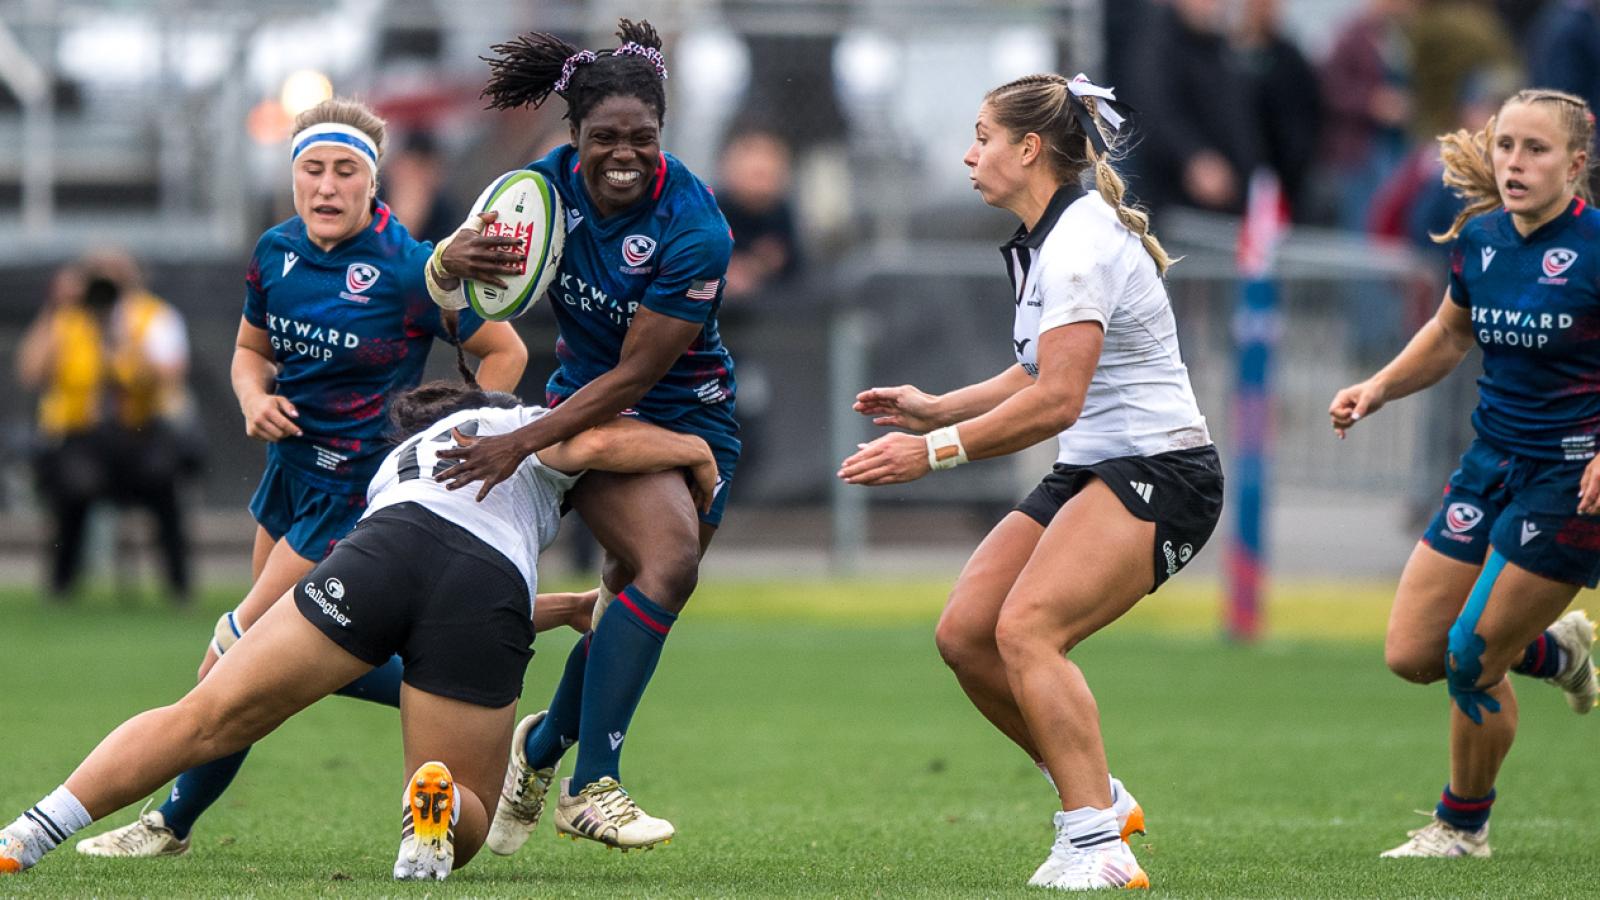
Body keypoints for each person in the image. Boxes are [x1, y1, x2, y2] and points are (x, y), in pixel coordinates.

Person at [0, 380, 721, 880]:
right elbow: (593, 444)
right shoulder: (515, 423)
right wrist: (692, 449)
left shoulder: (395, 463)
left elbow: (418, 584)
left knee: (203, 717)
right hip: (486, 586)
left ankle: (33, 829)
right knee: (467, 808)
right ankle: (437, 803)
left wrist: (566, 607)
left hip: (380, 553)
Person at [74, 96, 530, 859]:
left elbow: (507, 351)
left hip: (351, 497)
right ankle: (461, 702)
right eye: (312, 168)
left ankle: (168, 825)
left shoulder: (409, 268)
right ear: (292, 177)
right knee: (282, 662)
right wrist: (253, 399)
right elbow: (249, 352)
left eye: (345, 170)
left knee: (234, 658)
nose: (326, 185)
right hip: (287, 481)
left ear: (373, 182)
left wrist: (452, 440)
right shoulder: (275, 252)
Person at [839, 73, 1222, 891]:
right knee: (967, 635)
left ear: (1029, 149)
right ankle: (1100, 796)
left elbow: (1057, 400)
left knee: (1028, 630)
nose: (968, 155)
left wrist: (933, 452)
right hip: (1096, 468)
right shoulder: (1051, 237)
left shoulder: (1079, 242)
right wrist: (939, 407)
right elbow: (1037, 370)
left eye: (982, 138)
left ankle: (1097, 843)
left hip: (1162, 472)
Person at [425, 19, 739, 852]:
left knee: (627, 600)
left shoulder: (696, 228)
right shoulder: (535, 194)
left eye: (643, 138)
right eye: (605, 137)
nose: (624, 154)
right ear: (575, 135)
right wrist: (451, 266)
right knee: (666, 562)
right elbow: (459, 308)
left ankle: (538, 750)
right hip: (591, 416)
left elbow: (638, 375)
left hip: (688, 412)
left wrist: (520, 442)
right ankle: (593, 783)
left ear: (662, 133)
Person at [1329, 87, 1600, 858]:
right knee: (1412, 654)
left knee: (1470, 660)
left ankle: (1462, 826)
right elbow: (1451, 334)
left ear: (1575, 164)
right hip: (1489, 465)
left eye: (1536, 149)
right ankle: (1556, 651)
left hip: (1570, 482)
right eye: (1505, 145)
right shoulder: (1481, 239)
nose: (1514, 162)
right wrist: (1378, 387)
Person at [16, 257, 196, 604]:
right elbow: (30, 373)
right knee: (74, 485)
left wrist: (123, 335)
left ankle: (179, 587)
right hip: (81, 436)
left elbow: (171, 375)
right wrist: (54, 308)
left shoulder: (150, 317)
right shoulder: (67, 319)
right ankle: (61, 585)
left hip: (139, 433)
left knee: (163, 481)